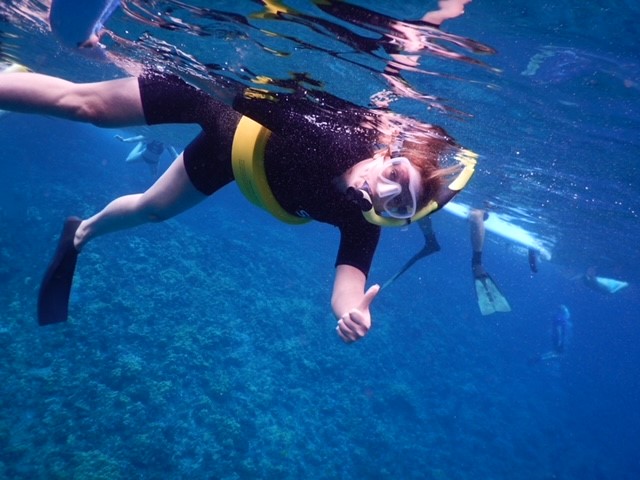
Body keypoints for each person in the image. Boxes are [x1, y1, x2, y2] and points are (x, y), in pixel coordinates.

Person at [0, 67, 476, 342]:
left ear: (397, 221)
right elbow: (220, 81)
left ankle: (80, 234)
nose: (383, 193)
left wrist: (352, 313)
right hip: (227, 112)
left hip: (236, 161)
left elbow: (348, 286)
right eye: (395, 177)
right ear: (384, 153)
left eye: (398, 206)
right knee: (89, 107)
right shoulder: (325, 134)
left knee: (153, 208)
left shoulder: (360, 219)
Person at [382, 206, 511, 315]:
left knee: (475, 214)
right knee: (418, 207)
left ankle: (477, 262)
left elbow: (478, 214)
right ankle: (430, 241)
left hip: (480, 207)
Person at [115, 134, 179, 177]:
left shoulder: (167, 142)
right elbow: (134, 139)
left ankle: (141, 143)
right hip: (143, 156)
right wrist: (123, 140)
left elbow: (174, 155)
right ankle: (140, 144)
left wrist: (181, 160)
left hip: (154, 162)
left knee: (154, 175)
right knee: (127, 160)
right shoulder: (150, 136)